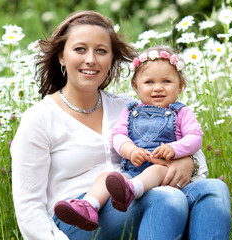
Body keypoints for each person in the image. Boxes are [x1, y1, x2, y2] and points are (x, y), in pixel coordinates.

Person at [11, 10, 231, 240]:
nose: (91, 59)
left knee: (214, 190)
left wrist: (189, 162)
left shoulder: (130, 108)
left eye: (101, 51)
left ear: (111, 59)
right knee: (168, 198)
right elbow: (28, 208)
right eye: (79, 49)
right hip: (79, 219)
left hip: (137, 194)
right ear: (61, 56)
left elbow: (181, 145)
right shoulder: (39, 119)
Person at [53, 46, 204, 230]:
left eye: (167, 81)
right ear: (136, 86)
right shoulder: (130, 110)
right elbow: (118, 135)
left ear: (180, 86)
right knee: (107, 177)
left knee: (155, 170)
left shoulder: (181, 112)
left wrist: (174, 149)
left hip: (162, 170)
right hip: (132, 170)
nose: (158, 88)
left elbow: (195, 137)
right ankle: (88, 206)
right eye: (149, 82)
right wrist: (130, 150)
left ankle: (132, 190)